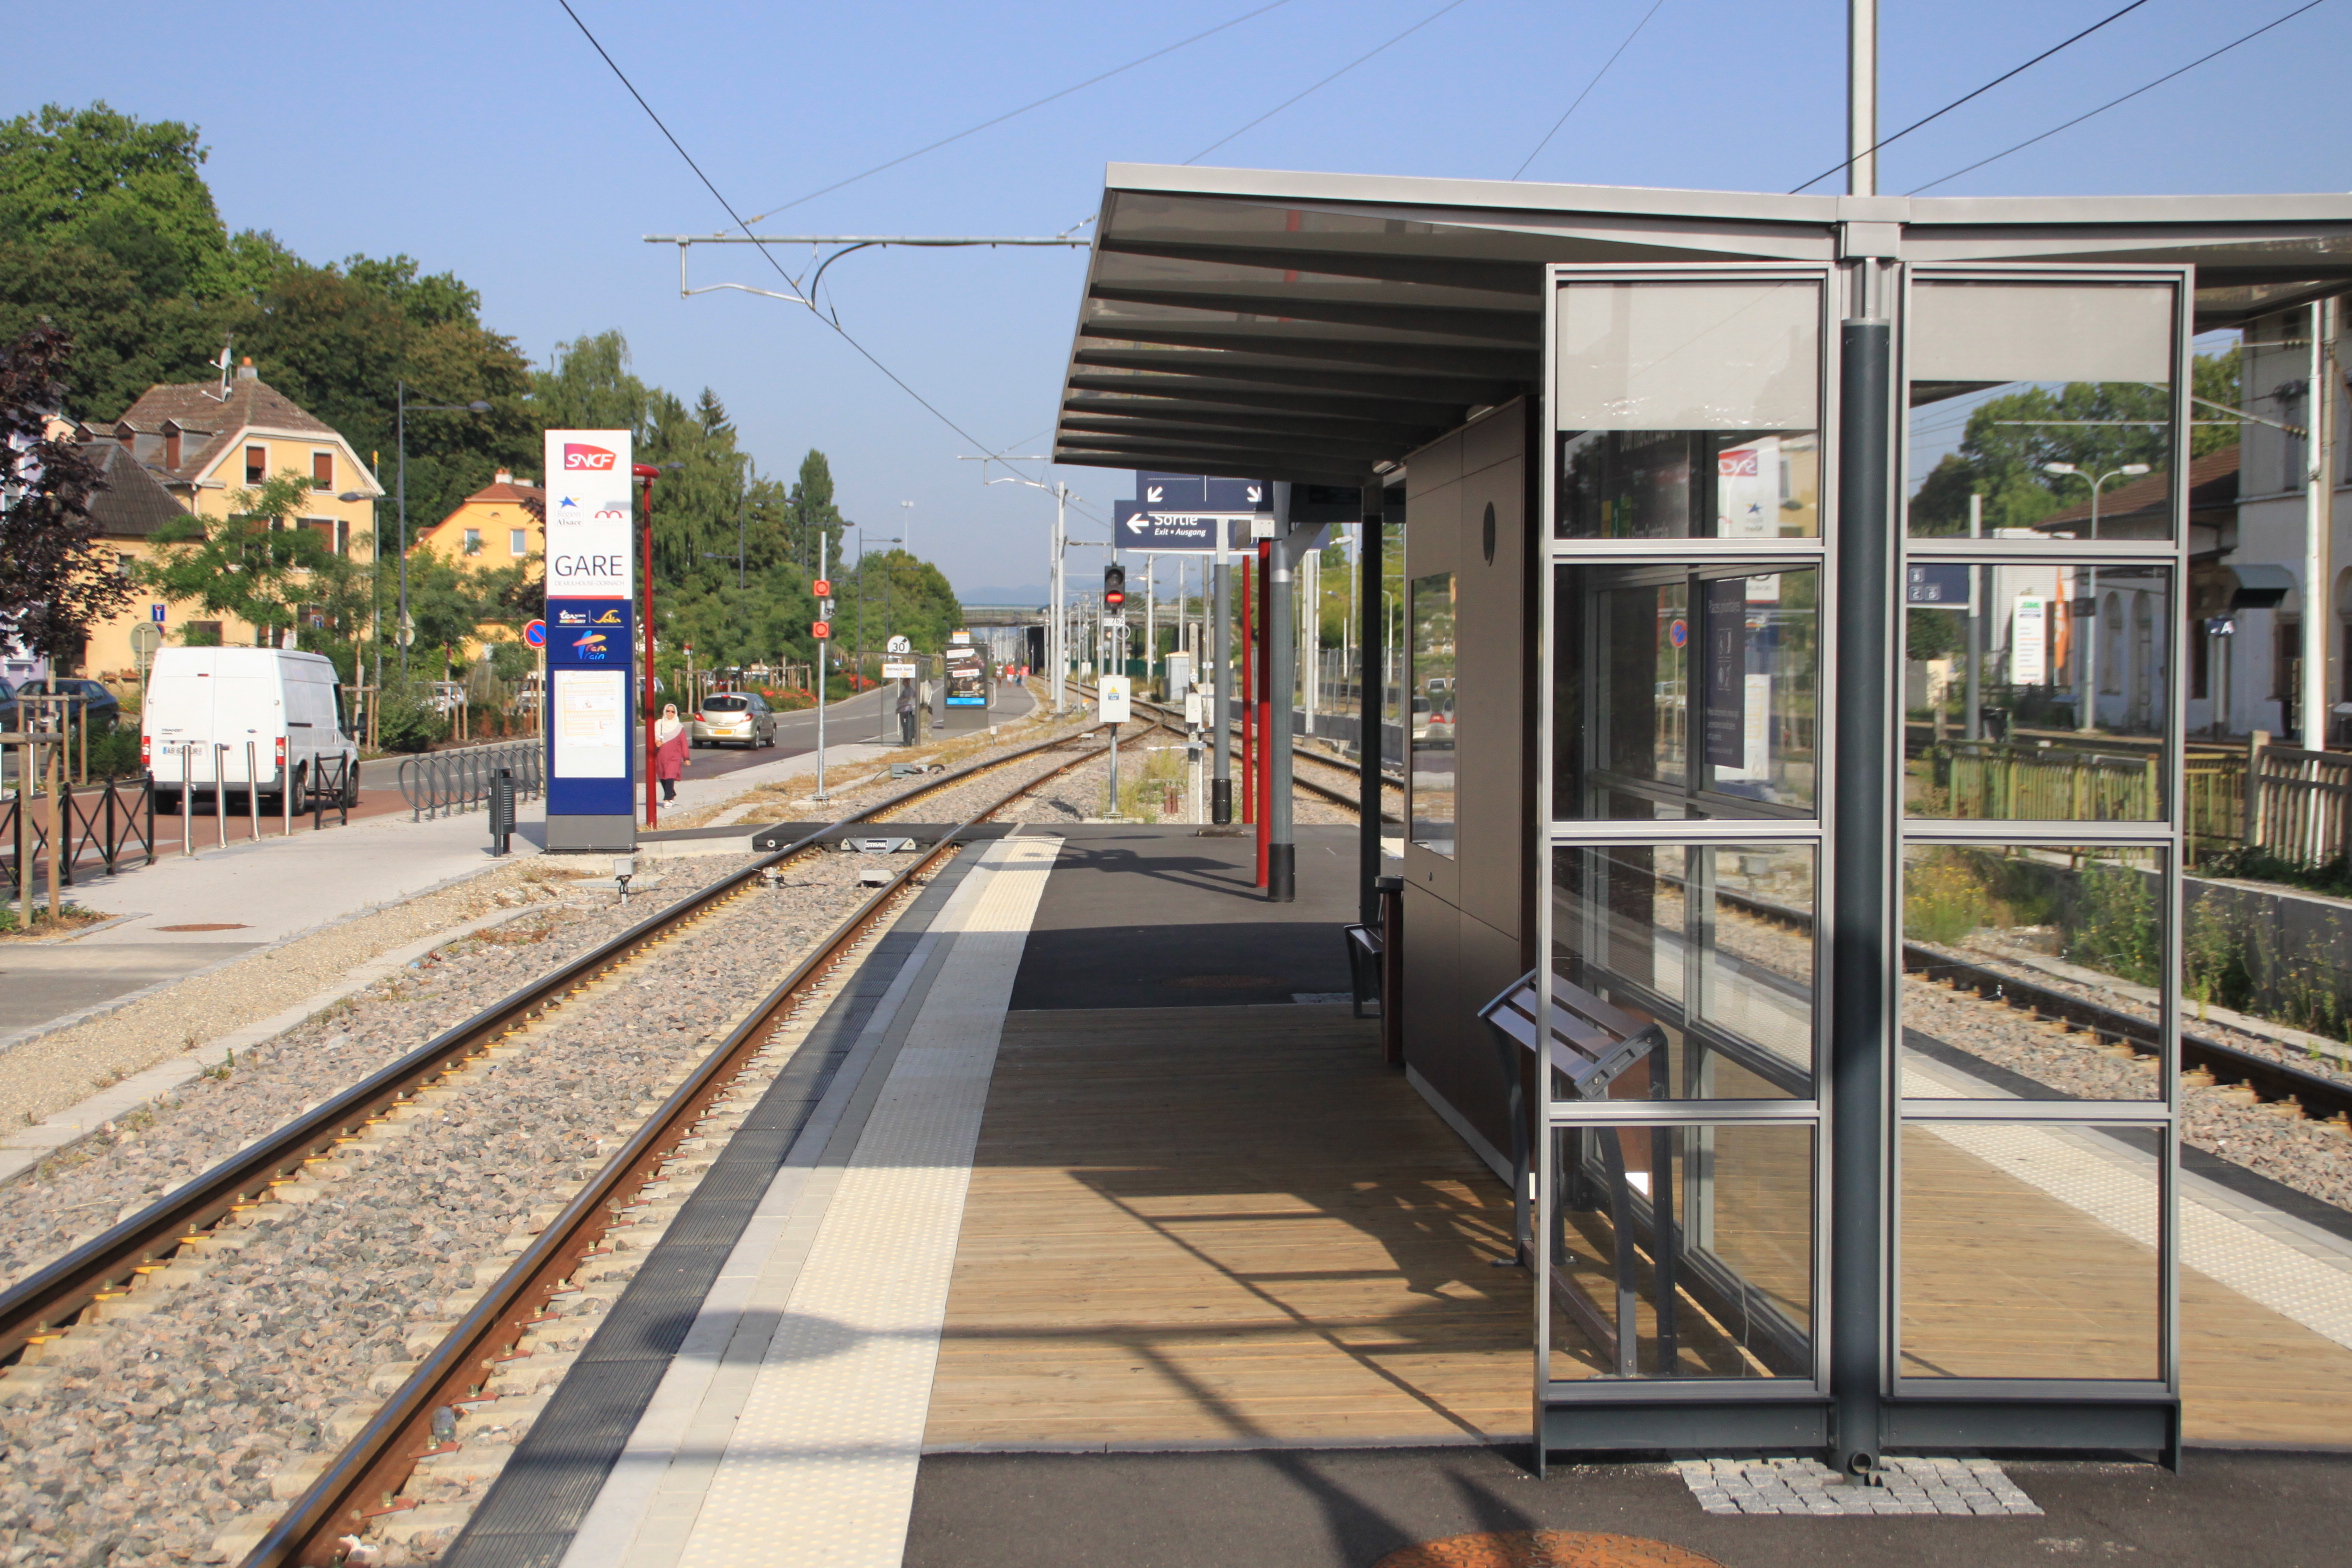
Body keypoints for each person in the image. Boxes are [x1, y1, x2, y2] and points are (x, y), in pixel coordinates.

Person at [653, 702, 689, 802]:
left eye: (672, 711)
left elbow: (684, 743)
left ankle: (667, 798)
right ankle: (670, 792)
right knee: (662, 776)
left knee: (670, 775)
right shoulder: (658, 724)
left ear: (675, 713)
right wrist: (656, 742)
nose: (670, 713)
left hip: (674, 757)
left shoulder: (679, 727)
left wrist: (686, 757)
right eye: (668, 711)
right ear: (664, 712)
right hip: (660, 756)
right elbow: (651, 738)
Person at [896, 679, 917, 746]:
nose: (903, 683)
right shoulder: (905, 690)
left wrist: (901, 702)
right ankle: (905, 740)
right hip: (902, 710)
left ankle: (907, 742)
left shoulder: (910, 690)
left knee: (907, 726)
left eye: (904, 681)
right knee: (904, 726)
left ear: (907, 682)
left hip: (906, 710)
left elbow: (909, 699)